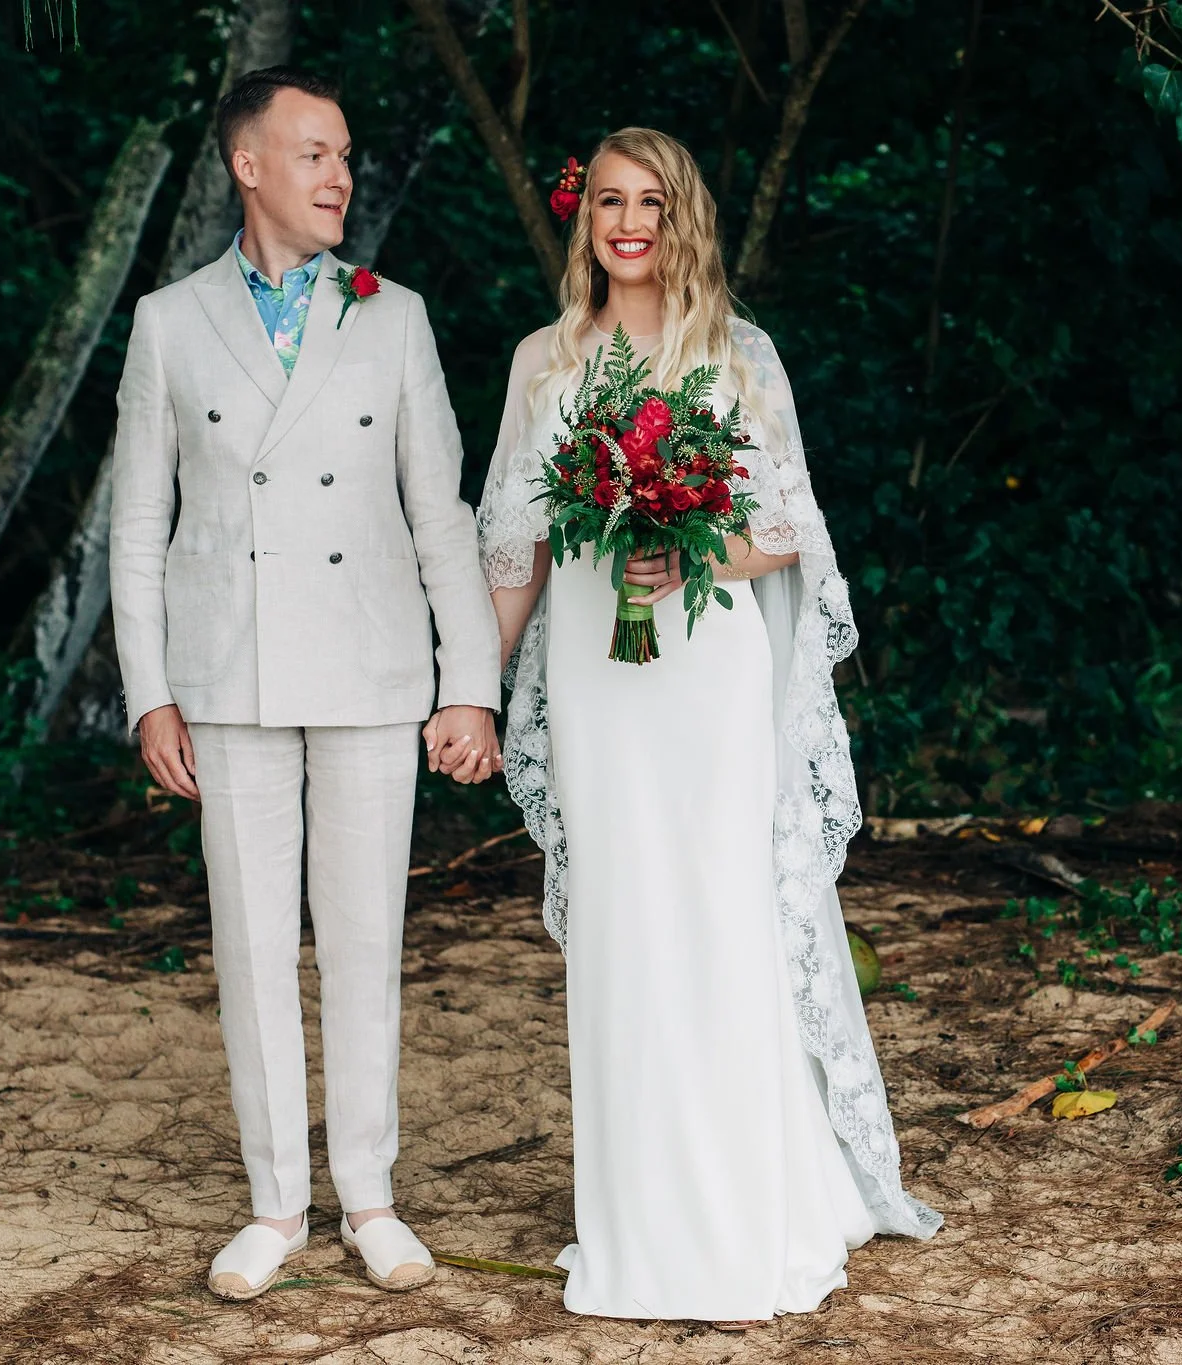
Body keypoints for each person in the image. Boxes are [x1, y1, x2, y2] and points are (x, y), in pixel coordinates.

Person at [464, 127, 942, 1327]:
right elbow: (514, 550)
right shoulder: (541, 361)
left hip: (708, 679)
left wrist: (687, 556)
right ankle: (639, 1220)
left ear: (684, 219)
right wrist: (470, 686)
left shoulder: (737, 353)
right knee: (624, 928)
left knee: (718, 918)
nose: (629, 223)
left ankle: (742, 1223)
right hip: (596, 684)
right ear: (584, 219)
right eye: (608, 202)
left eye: (652, 202)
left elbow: (787, 532)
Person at [108, 65, 500, 1302]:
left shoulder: (395, 316)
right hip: (227, 677)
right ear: (249, 165)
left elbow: (440, 515)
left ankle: (369, 1198)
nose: (340, 176)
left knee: (366, 944)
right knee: (252, 947)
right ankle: (275, 1205)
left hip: (373, 673)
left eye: (344, 154)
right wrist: (147, 689)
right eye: (315, 153)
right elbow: (136, 523)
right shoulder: (169, 320)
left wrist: (468, 681)